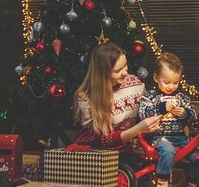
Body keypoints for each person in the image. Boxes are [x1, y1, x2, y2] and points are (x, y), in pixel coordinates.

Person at [65, 41, 161, 172]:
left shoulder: (134, 83)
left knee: (138, 183)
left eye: (125, 65)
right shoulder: (87, 97)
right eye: (118, 70)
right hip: (97, 153)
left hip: (125, 150)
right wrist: (138, 129)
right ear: (103, 73)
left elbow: (146, 109)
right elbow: (103, 140)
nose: (125, 73)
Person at [138, 52, 199, 187]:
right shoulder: (150, 96)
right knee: (168, 150)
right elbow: (142, 114)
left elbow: (193, 117)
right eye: (166, 82)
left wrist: (185, 113)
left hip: (180, 138)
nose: (171, 87)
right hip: (157, 137)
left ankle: (192, 185)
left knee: (198, 157)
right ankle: (162, 184)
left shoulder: (182, 98)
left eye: (175, 83)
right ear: (156, 78)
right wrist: (161, 108)